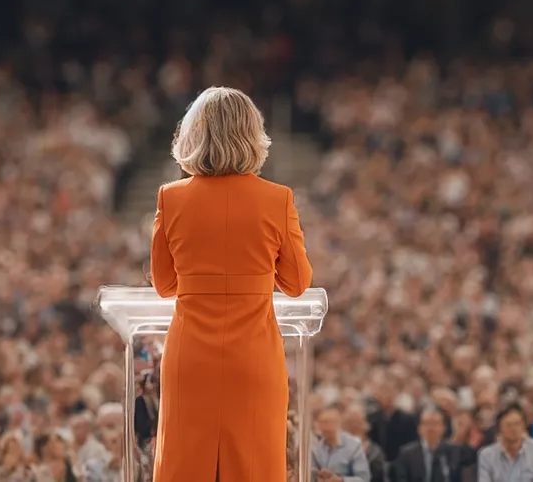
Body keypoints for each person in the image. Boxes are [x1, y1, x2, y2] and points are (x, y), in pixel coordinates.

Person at [149, 87, 313, 482]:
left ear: (193, 135)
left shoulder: (171, 198)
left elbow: (164, 284)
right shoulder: (277, 199)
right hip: (253, 360)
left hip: (190, 360)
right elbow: (296, 283)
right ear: (251, 134)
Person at [394, 407, 474, 482]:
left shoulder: (454, 452)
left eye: (435, 424)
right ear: (419, 428)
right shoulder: (407, 454)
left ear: (444, 428)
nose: (430, 428)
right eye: (426, 423)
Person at [478, 403, 533, 482]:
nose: (514, 429)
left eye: (517, 424)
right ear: (499, 428)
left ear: (524, 426)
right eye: (508, 425)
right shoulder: (487, 455)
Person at [310, 405, 371, 482]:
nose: (326, 427)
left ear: (339, 423)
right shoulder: (316, 449)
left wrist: (341, 480)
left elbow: (364, 479)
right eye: (322, 423)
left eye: (329, 422)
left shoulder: (354, 446)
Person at [342, 406, 388, 482]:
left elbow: (381, 477)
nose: (354, 426)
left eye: (357, 422)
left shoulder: (375, 453)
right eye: (351, 422)